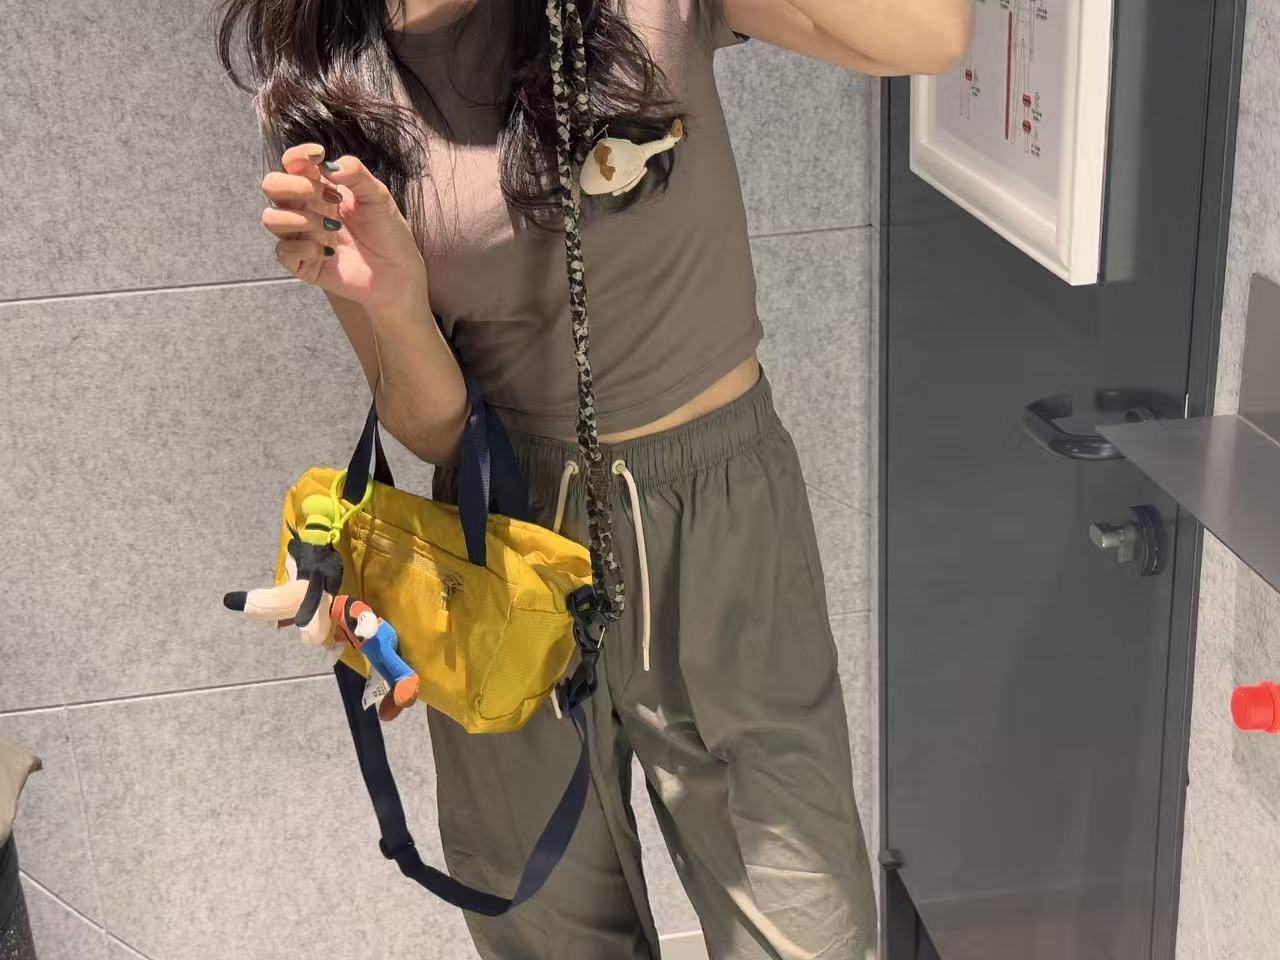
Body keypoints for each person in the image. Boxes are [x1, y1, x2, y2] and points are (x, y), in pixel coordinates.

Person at [217, 1, 970, 957]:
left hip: (719, 510)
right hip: (506, 542)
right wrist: (395, 303)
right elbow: (434, 426)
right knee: (548, 930)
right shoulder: (335, 78)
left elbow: (928, 35)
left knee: (808, 926)